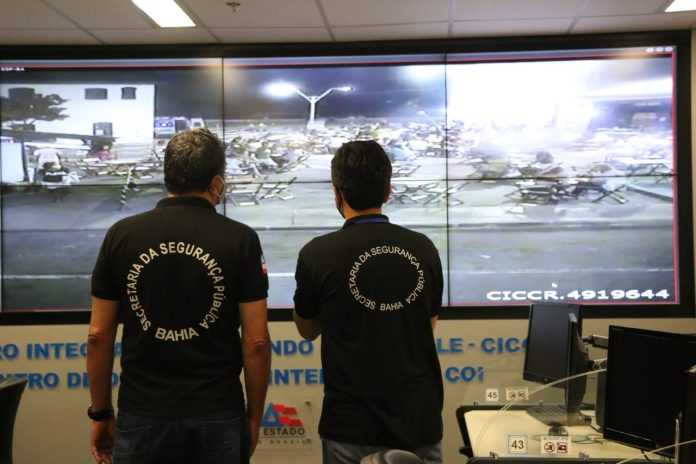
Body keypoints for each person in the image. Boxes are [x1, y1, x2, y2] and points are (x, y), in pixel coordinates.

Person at [86, 129, 271, 464]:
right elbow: (256, 342)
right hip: (218, 411)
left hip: (142, 411)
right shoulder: (240, 239)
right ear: (217, 184)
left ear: (168, 177)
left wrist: (100, 413)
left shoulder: (121, 235)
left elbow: (98, 336)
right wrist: (254, 417)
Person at [292, 140, 444, 464]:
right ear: (388, 191)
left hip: (350, 424)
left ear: (337, 193)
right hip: (417, 419)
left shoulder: (317, 253)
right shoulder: (424, 248)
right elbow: (427, 325)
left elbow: (306, 329)